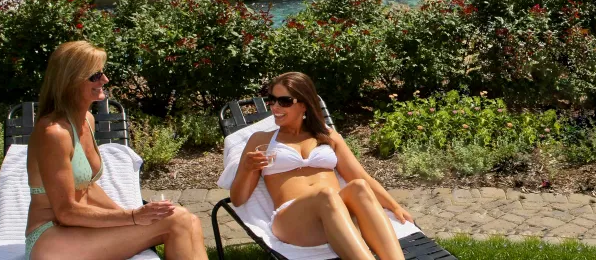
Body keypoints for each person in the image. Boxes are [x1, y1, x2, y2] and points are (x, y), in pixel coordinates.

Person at [25, 41, 206, 260]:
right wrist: (131, 217)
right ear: (70, 81)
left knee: (189, 219)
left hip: (76, 229)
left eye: (102, 72)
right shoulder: (54, 133)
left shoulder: (86, 120)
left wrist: (134, 216)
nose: (104, 80)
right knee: (177, 221)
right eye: (95, 75)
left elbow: (87, 188)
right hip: (51, 237)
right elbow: (66, 212)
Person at [230, 72, 414, 260]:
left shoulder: (327, 135)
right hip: (292, 221)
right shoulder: (261, 140)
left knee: (358, 187)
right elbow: (238, 199)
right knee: (325, 194)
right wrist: (246, 168)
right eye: (272, 100)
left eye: (284, 101)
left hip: (336, 213)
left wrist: (394, 205)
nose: (275, 107)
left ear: (304, 104)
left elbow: (361, 177)